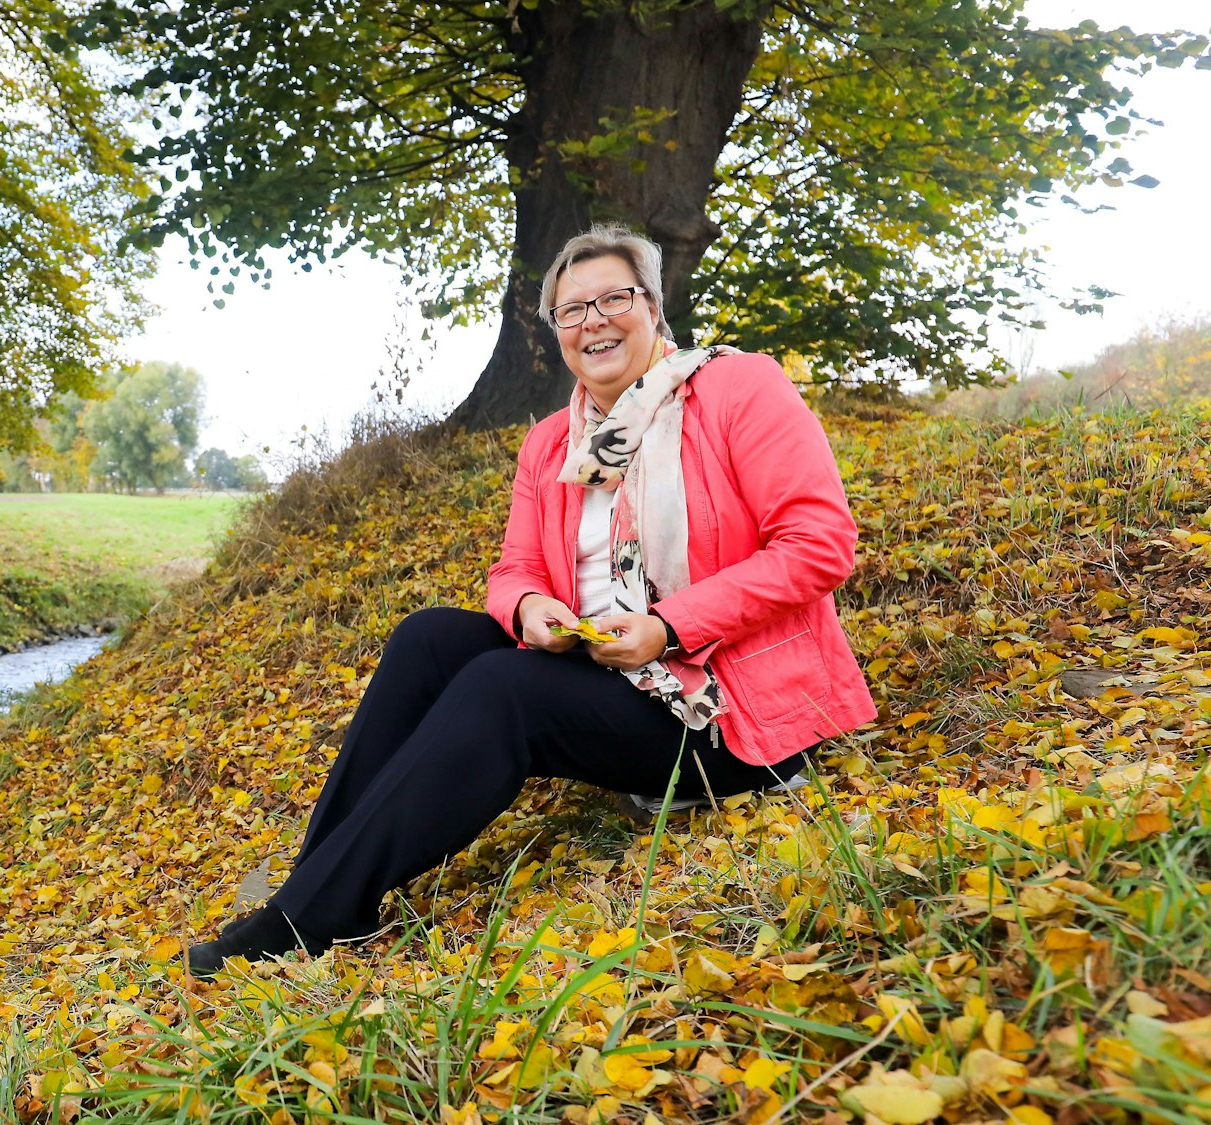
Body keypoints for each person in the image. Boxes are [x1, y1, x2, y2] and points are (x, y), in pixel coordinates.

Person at [186, 224, 878, 978]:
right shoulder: (552, 442)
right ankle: (313, 889)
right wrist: (524, 610)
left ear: (653, 306)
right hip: (604, 670)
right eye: (572, 311)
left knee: (500, 685)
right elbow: (514, 567)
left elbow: (818, 545)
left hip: (719, 708)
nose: (594, 321)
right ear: (556, 334)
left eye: (614, 297)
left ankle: (309, 916)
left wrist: (667, 626)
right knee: (428, 638)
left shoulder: (738, 387)